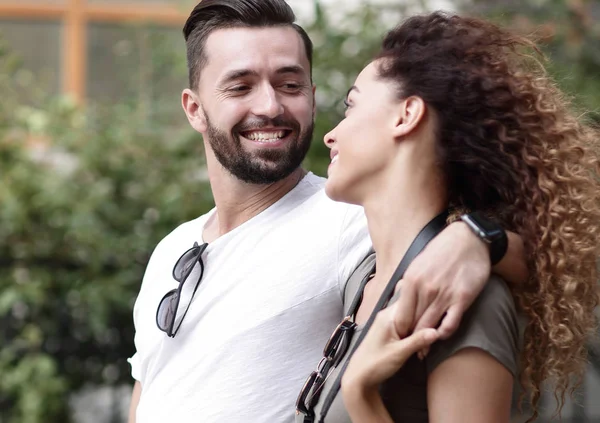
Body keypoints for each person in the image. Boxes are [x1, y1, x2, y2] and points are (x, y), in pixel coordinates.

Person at [126, 2, 529, 422]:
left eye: (290, 85)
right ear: (194, 109)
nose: (269, 106)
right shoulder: (170, 250)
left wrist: (479, 239)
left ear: (313, 98)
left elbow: (550, 265)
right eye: (240, 87)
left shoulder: (349, 219)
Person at [295, 11, 600, 423]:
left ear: (406, 115)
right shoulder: (362, 279)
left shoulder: (465, 300)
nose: (331, 134)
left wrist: (361, 394)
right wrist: (479, 237)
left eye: (351, 106)